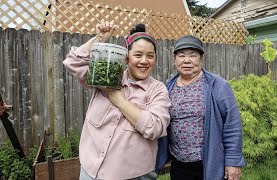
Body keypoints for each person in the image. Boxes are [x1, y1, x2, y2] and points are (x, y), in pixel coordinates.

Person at [63, 20, 171, 180]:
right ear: (126, 58)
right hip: (90, 170)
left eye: (150, 56)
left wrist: (118, 99)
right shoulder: (109, 75)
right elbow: (73, 63)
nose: (144, 61)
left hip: (133, 175)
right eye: (138, 55)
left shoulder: (157, 89)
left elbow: (154, 127)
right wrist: (99, 39)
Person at [156, 35, 245, 180]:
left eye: (193, 55)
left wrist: (233, 162)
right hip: (178, 164)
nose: (187, 60)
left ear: (201, 59)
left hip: (208, 164)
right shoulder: (168, 86)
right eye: (181, 55)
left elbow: (232, 125)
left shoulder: (218, 86)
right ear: (175, 59)